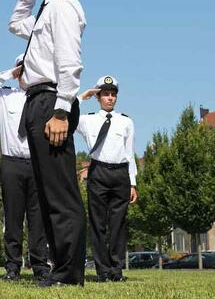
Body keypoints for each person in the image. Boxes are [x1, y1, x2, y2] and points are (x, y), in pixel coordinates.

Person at [7, 0, 88, 287]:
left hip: (53, 100)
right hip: (38, 100)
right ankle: (61, 269)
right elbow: (15, 23)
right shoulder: (48, 5)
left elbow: (70, 63)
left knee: (60, 192)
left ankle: (69, 273)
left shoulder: (64, 5)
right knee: (46, 191)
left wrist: (61, 111)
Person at [0, 52, 50, 282]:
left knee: (38, 219)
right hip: (12, 163)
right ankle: (12, 267)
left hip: (37, 164)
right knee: (13, 218)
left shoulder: (43, 99)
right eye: (22, 69)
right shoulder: (5, 96)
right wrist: (8, 73)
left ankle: (40, 266)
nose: (26, 73)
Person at [77, 75, 138, 282]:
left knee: (118, 224)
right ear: (98, 97)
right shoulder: (87, 120)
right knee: (98, 224)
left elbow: (130, 153)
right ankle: (102, 271)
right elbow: (66, 114)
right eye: (105, 94)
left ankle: (116, 270)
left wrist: (132, 183)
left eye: (113, 94)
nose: (110, 98)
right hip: (98, 172)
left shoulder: (126, 121)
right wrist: (82, 97)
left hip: (120, 174)